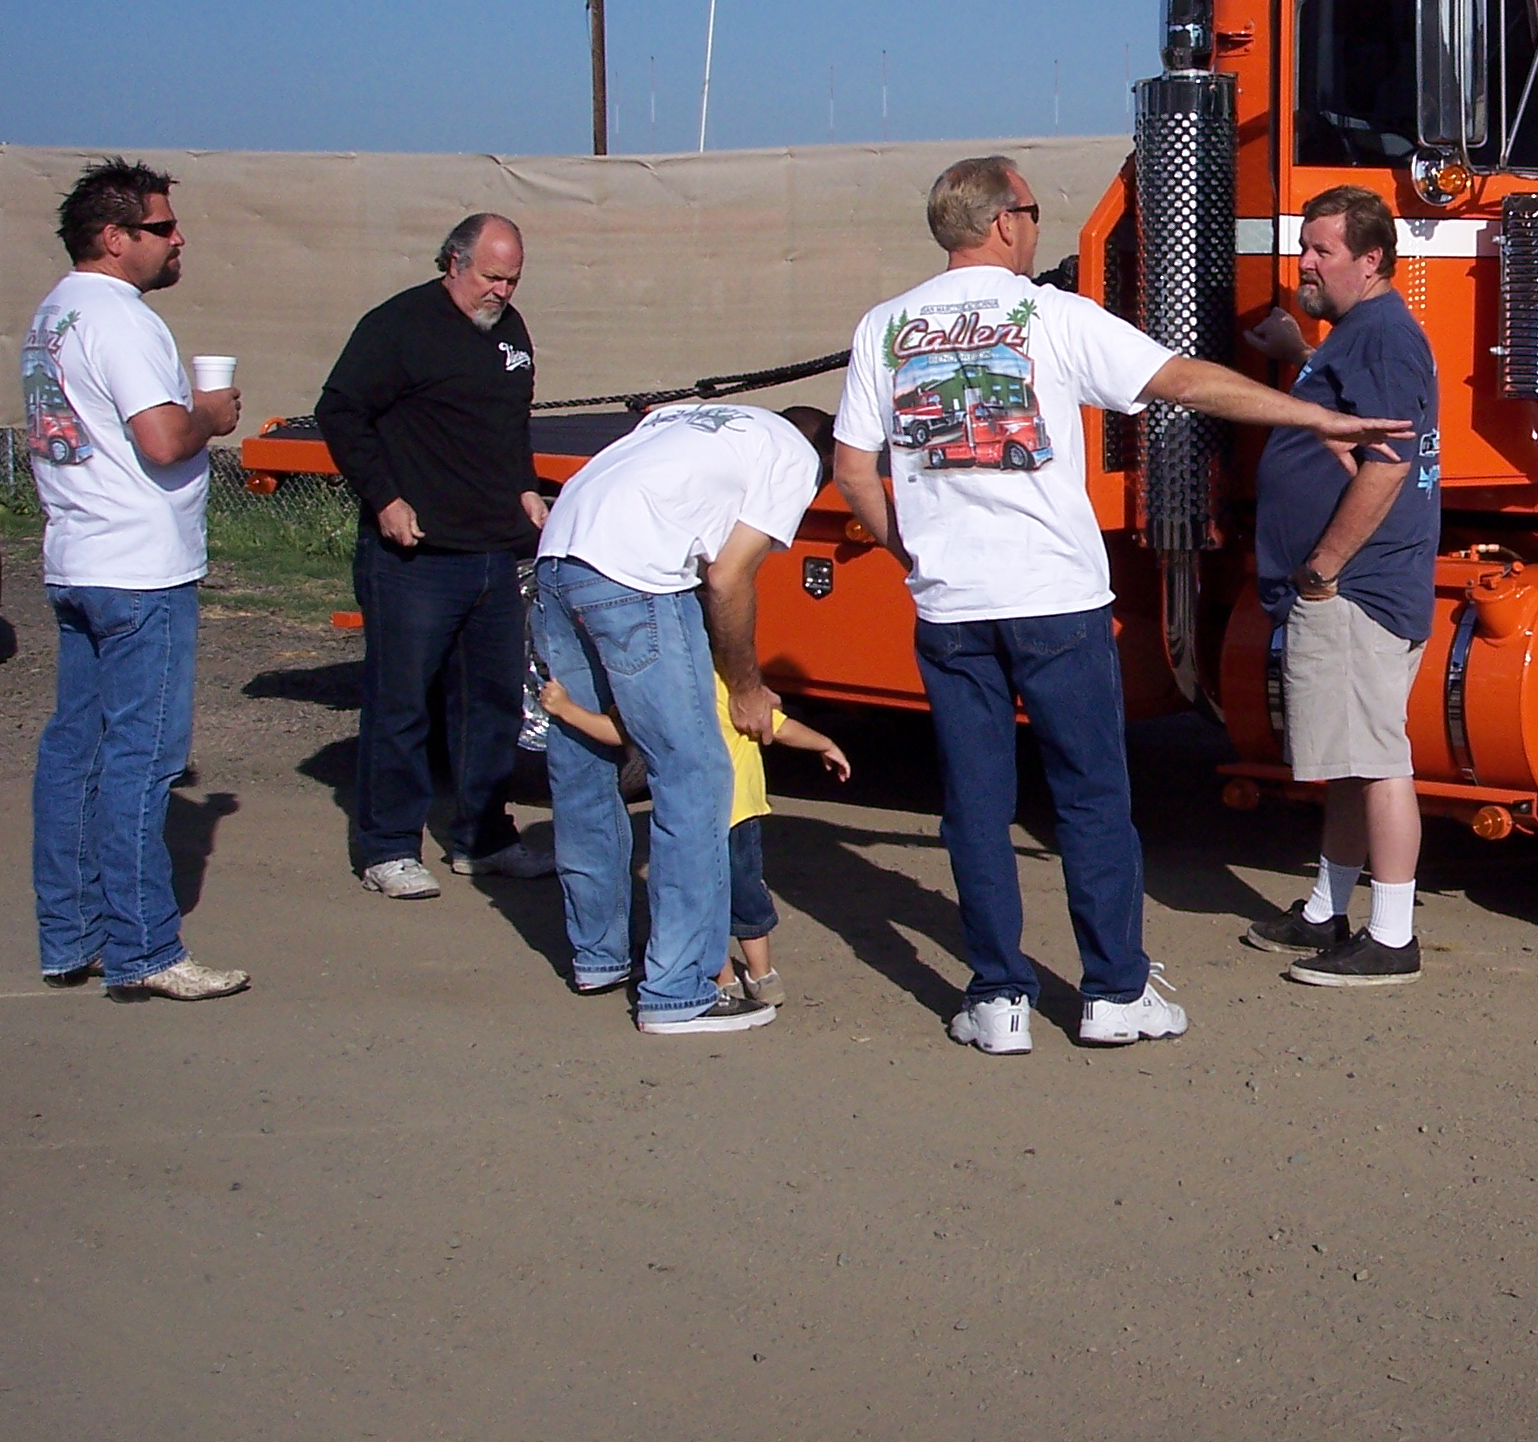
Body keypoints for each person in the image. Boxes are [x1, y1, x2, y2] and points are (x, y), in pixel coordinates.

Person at [833, 155, 1413, 1057]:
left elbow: (851, 470)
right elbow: (1182, 381)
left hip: (951, 607)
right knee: (1092, 799)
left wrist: (912, 552)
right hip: (1055, 600)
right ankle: (1113, 992)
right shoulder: (1053, 316)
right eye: (1033, 211)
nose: (1037, 227)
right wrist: (1316, 416)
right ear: (1004, 222)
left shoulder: (885, 326)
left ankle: (998, 999)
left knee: (976, 806)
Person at [23, 157, 249, 1001]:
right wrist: (210, 416)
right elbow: (161, 439)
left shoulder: (55, 313)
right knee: (141, 761)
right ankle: (145, 949)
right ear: (115, 238)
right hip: (138, 571)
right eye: (161, 227)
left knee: (75, 751)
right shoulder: (120, 319)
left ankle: (71, 935)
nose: (177, 239)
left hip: (79, 557)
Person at [533, 401, 829, 1034]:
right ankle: (679, 991)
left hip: (558, 557)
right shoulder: (797, 456)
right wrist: (746, 688)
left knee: (584, 762)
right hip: (634, 578)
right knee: (693, 775)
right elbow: (728, 577)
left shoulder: (692, 417)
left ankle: (598, 956)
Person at [1240, 187, 1442, 987]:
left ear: (1372, 258)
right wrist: (1301, 355)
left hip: (1357, 589)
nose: (1304, 263)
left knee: (1378, 759)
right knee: (1353, 760)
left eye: (1322, 250)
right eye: (1304, 247)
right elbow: (1350, 430)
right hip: (1353, 587)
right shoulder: (1357, 336)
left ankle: (1392, 937)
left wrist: (1324, 569)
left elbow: (1387, 467)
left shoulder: (1382, 336)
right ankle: (1328, 910)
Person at [318, 214, 551, 899]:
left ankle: (483, 838)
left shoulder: (509, 330)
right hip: (416, 556)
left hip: (493, 550)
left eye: (512, 279)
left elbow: (510, 421)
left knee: (492, 704)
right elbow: (340, 413)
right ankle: (388, 846)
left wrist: (525, 487)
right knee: (403, 703)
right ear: (454, 262)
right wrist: (385, 498)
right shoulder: (398, 326)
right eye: (491, 277)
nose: (501, 291)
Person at [535, 667, 852, 1007]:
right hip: (739, 815)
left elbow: (619, 733)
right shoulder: (725, 686)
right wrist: (826, 743)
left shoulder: (656, 689)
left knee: (704, 900)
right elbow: (778, 726)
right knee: (746, 894)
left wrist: (567, 709)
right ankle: (763, 976)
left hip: (690, 819)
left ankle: (723, 979)